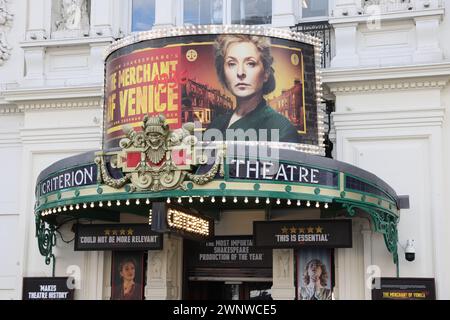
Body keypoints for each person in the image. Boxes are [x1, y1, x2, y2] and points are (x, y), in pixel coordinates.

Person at [209, 34, 300, 143]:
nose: (240, 73)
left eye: (250, 63)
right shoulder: (216, 124)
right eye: (232, 64)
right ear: (223, 72)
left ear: (266, 73)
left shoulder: (281, 128)